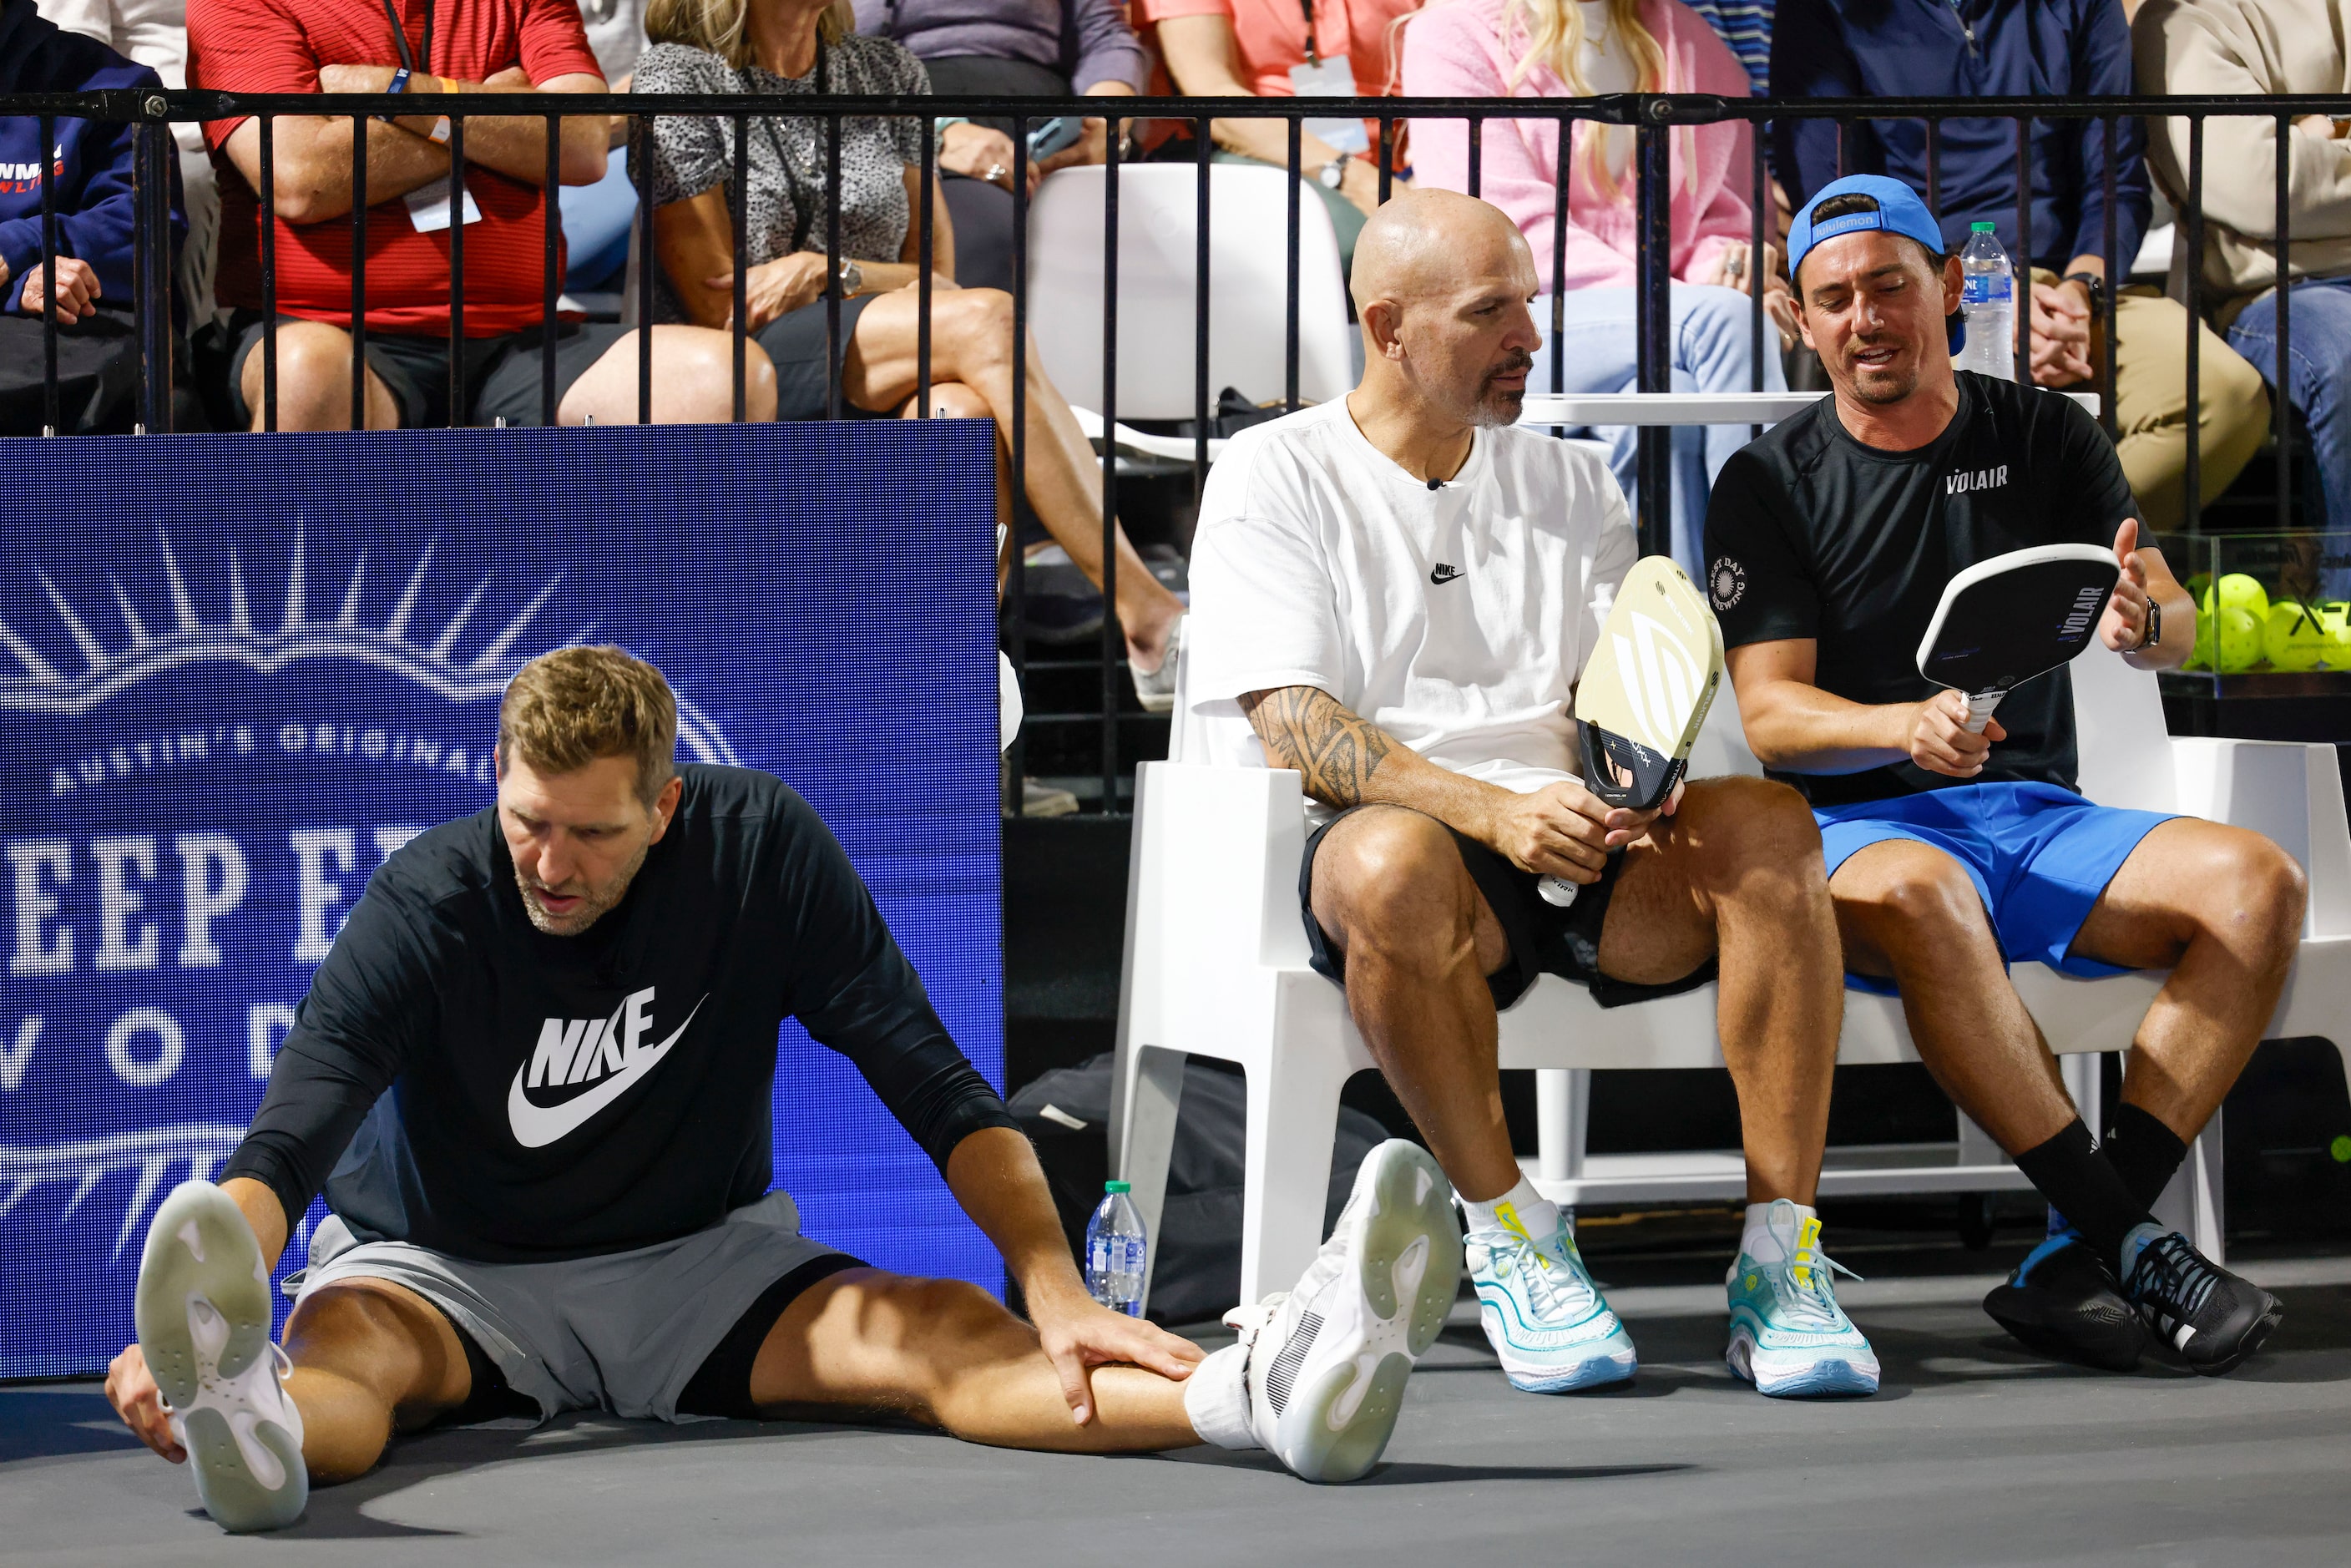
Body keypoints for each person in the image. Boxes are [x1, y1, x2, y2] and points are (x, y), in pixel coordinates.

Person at [103, 645, 1462, 1533]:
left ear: (668, 804)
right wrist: (213, 1312)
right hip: (446, 1263)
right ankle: (251, 1417)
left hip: (698, 1258)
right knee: (353, 1362)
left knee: (937, 1327)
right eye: (527, 818)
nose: (551, 861)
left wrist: (1054, 1285)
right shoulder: (434, 898)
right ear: (493, 786)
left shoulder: (759, 852)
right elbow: (289, 1137)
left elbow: (933, 1083)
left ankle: (1263, 1395)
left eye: (591, 830)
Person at [1186, 188, 1882, 1402]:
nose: (1532, 336)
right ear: (1387, 325)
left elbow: (1625, 683)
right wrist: (1492, 809)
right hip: (1400, 857)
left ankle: (1784, 1259)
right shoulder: (1269, 472)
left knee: (1769, 822)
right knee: (1389, 860)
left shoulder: (1576, 481)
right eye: (1492, 310)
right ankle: (1510, 1231)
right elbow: (1294, 727)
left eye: (1533, 303)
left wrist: (1646, 778)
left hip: (1582, 846)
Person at [1706, 175, 2305, 1377]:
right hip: (1849, 828)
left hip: (2032, 814)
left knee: (2260, 884)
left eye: (1891, 285)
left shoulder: (2045, 434)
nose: (1867, 317)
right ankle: (2136, 1241)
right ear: (1799, 317)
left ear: (1946, 291)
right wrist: (1900, 725)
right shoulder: (1767, 480)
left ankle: (2080, 1248)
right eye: (1836, 298)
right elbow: (1770, 712)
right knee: (1929, 891)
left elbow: (2168, 612)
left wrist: (2152, 623)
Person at [633, 0, 1186, 710]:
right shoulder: (680, 79)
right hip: (740, 356)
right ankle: (1145, 613)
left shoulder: (885, 70)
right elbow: (722, 300)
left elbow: (936, 274)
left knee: (961, 414)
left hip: (874, 338)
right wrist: (850, 281)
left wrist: (827, 269)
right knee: (989, 319)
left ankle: (940, 693)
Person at [1770, 0, 2270, 533]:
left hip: (2069, 291)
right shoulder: (1826, 11)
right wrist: (1971, 291)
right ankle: (2008, 567)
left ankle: (2033, 559)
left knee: (2223, 396)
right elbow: (1836, 210)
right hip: (1918, 292)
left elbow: (2118, 183)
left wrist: (2081, 293)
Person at [185, 0, 744, 428]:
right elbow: (302, 179)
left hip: (520, 340)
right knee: (308, 368)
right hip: (327, 330)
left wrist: (395, 93)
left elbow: (581, 142)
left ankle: (642, 582)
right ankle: (302, 581)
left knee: (716, 374)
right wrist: (493, 110)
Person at [1403, 0, 1792, 577]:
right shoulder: (1450, 31)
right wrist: (1691, 300)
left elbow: (1728, 209)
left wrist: (1722, 268)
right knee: (1733, 323)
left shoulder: (1685, 35)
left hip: (1665, 323)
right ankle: (1774, 605)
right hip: (1515, 324)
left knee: (1679, 405)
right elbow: (1500, 231)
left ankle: (1691, 642)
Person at [2136, 0, 2351, 531]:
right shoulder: (2182, 21)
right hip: (2279, 291)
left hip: (2293, 264)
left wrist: (2311, 132)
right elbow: (2255, 186)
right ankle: (2340, 598)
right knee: (2346, 356)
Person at [854, 0, 1144, 293]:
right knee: (985, 239)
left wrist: (1105, 122)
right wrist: (937, 131)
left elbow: (1106, 38)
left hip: (1045, 129)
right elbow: (829, 51)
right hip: (901, 123)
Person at [1, 0, 182, 436]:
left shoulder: (114, 83)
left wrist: (24, 246)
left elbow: (148, 227)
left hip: (66, 357)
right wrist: (16, 286)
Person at [1138, 0, 1418, 271]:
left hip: (1405, 158)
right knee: (1359, 249)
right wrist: (1352, 176)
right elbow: (1212, 97)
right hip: (1261, 155)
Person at [34, 0, 220, 326]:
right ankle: (189, 352)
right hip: (159, 123)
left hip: (256, 115)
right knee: (185, 189)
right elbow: (73, 52)